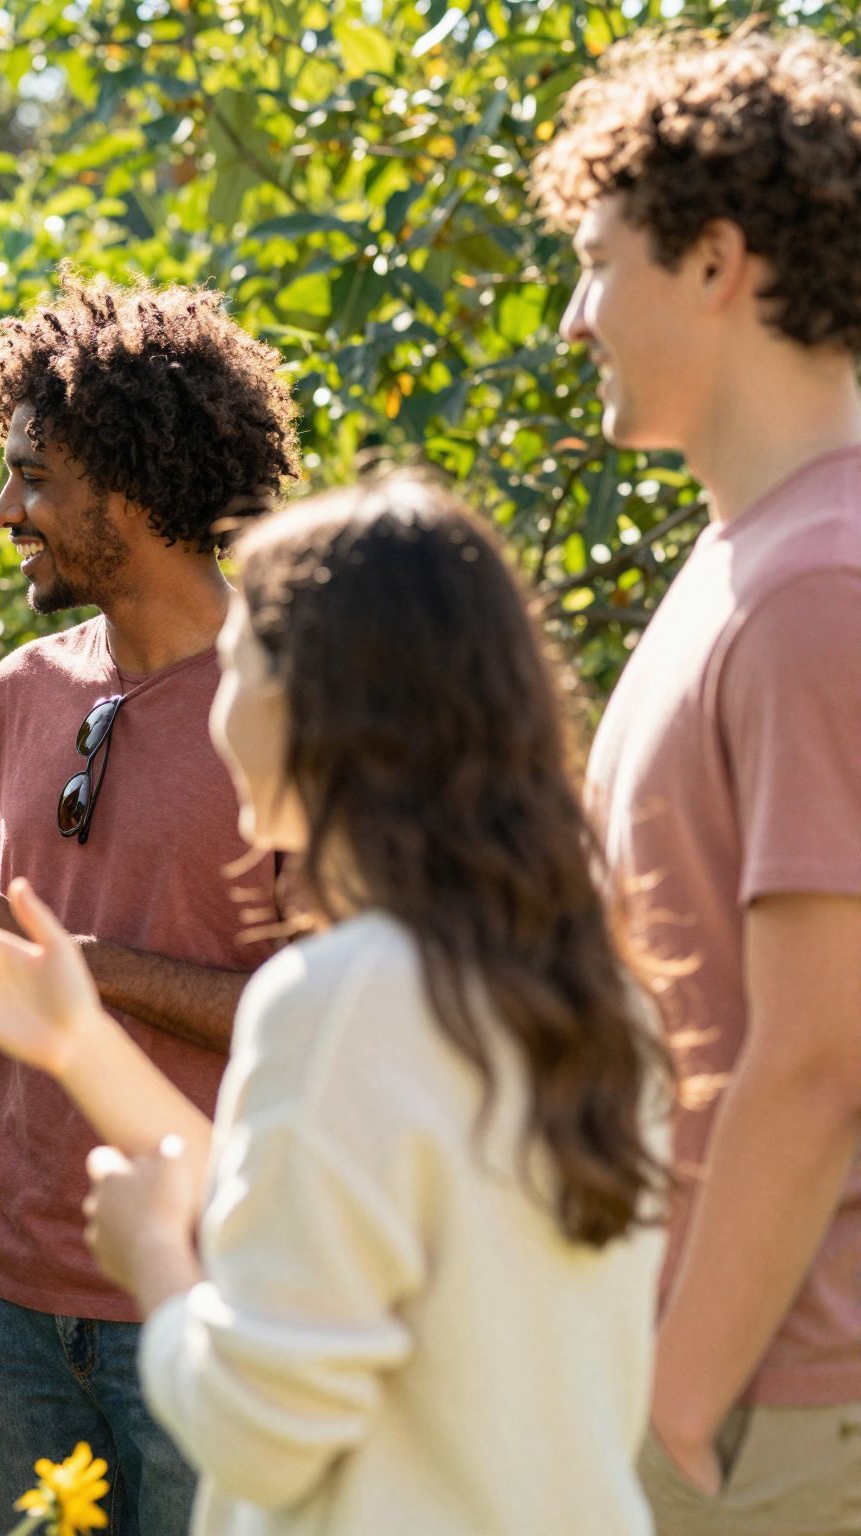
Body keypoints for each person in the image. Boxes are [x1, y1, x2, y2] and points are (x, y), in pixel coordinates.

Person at [0, 475, 673, 1535]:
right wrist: (70, 1033)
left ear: (313, 707)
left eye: (237, 668)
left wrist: (155, 1256)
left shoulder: (342, 994)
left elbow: (256, 1425)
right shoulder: (583, 983)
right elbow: (299, 1208)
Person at [0, 272, 298, 1533]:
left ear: (135, 485)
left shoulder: (293, 699)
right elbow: (19, 990)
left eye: (33, 478)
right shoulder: (21, 689)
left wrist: (75, 962)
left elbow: (333, 1025)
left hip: (212, 1295)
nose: (4, 511)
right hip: (13, 1293)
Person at [531, 26, 861, 1531]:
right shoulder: (743, 562)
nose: (575, 319)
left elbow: (817, 1058)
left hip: (772, 1404)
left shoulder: (817, 587)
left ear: (718, 260)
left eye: (598, 264)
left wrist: (674, 1397)